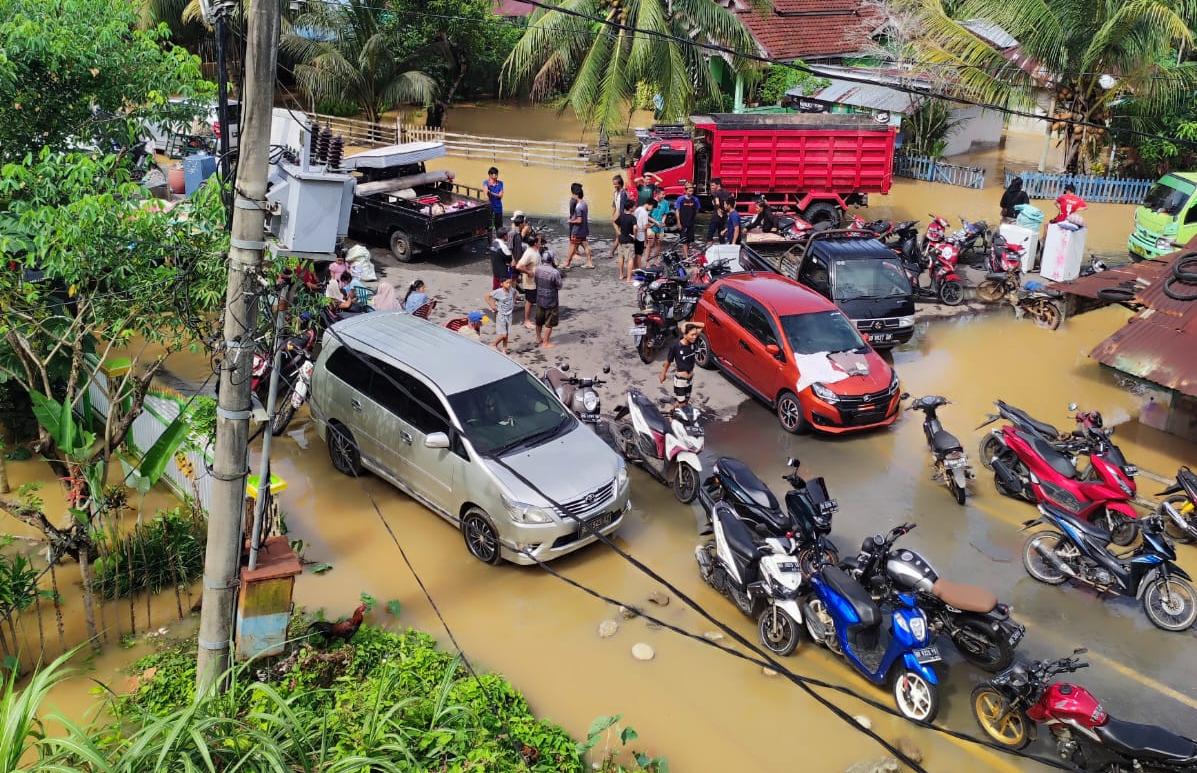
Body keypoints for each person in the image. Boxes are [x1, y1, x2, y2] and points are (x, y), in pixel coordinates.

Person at [660, 322, 705, 410]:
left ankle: (673, 409)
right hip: (680, 381)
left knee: (685, 402)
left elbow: (702, 325)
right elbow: (668, 361)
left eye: (696, 334)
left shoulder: (692, 341)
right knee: (682, 404)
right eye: (692, 335)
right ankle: (671, 418)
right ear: (685, 335)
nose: (695, 336)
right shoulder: (675, 347)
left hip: (689, 380)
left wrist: (688, 323)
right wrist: (663, 374)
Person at [534, 251, 564, 349]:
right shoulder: (554, 272)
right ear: (552, 260)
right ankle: (545, 342)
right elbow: (559, 286)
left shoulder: (537, 269)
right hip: (551, 301)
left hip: (539, 298)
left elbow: (536, 281)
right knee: (549, 323)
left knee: (539, 321)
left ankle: (539, 338)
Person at [515, 233, 543, 329]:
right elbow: (518, 266)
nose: (540, 242)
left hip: (536, 280)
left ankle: (537, 316)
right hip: (530, 282)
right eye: (539, 241)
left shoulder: (535, 250)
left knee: (536, 299)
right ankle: (526, 321)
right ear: (535, 243)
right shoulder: (529, 253)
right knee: (529, 301)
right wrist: (528, 272)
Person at [564, 183, 594, 269]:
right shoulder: (584, 203)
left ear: (576, 194)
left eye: (573, 194)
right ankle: (589, 262)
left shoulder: (578, 207)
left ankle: (567, 263)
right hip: (584, 229)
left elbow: (579, 220)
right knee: (585, 245)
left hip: (577, 230)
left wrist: (571, 220)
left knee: (572, 245)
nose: (572, 196)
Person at [485, 275, 516, 353]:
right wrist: (492, 306)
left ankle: (504, 350)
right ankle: (493, 344)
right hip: (501, 315)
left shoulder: (512, 290)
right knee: (503, 334)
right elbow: (487, 296)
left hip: (509, 315)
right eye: (507, 283)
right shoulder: (498, 292)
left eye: (510, 283)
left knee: (507, 333)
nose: (509, 284)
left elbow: (515, 293)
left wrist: (513, 302)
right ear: (502, 284)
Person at [675, 182, 701, 259]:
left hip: (691, 223)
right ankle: (686, 256)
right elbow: (677, 211)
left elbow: (697, 210)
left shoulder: (695, 199)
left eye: (692, 191)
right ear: (685, 191)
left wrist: (693, 218)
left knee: (689, 240)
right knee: (684, 240)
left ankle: (685, 254)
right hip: (683, 222)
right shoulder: (680, 199)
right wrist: (678, 222)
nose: (691, 193)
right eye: (689, 191)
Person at [615, 198, 638, 281]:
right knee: (630, 259)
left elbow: (615, 223)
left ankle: (621, 275)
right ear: (631, 208)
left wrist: (618, 232)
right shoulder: (633, 218)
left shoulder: (621, 216)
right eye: (634, 206)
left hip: (621, 240)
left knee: (621, 257)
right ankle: (628, 278)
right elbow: (635, 227)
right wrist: (634, 236)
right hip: (629, 240)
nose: (635, 208)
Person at [706, 178, 732, 242]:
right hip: (724, 217)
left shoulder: (716, 193)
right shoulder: (727, 192)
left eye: (712, 185)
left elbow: (717, 203)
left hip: (716, 217)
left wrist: (718, 209)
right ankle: (722, 249)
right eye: (710, 185)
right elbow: (732, 203)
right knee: (721, 236)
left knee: (710, 235)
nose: (711, 187)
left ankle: (708, 250)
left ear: (718, 185)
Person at [634, 198, 657, 273]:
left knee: (636, 253)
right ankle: (640, 270)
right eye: (652, 207)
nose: (651, 209)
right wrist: (651, 225)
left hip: (635, 233)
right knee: (639, 254)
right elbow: (644, 227)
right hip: (640, 235)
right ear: (650, 204)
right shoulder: (644, 212)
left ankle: (635, 269)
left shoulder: (638, 209)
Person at [649, 195, 672, 262]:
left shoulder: (665, 202)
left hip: (660, 226)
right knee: (650, 244)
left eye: (664, 194)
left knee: (658, 243)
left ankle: (656, 261)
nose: (663, 196)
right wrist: (655, 222)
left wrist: (662, 221)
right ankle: (647, 261)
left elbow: (665, 214)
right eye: (662, 194)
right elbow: (647, 215)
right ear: (657, 194)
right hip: (652, 226)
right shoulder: (652, 202)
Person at [611, 175, 630, 248]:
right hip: (617, 215)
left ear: (620, 184)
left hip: (622, 216)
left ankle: (612, 251)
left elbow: (622, 208)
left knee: (619, 234)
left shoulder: (623, 194)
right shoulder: (615, 193)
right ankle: (618, 249)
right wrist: (612, 215)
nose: (614, 185)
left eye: (616, 184)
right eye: (613, 184)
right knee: (618, 234)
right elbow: (614, 204)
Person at [483, 166, 504, 232]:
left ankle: (500, 238)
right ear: (490, 175)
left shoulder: (500, 183)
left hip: (498, 207)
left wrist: (491, 193)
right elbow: (485, 192)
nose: (496, 175)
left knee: (499, 225)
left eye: (496, 174)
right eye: (495, 174)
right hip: (490, 207)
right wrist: (487, 195)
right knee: (489, 226)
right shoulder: (486, 182)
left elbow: (500, 195)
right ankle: (490, 240)